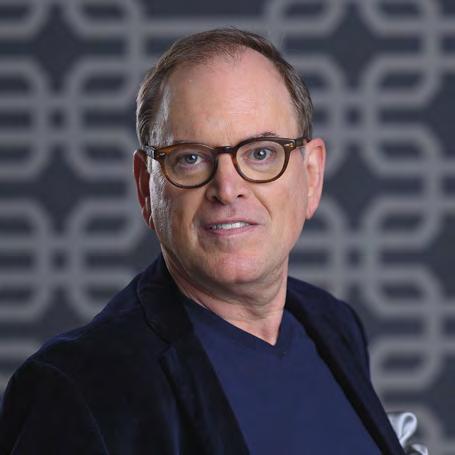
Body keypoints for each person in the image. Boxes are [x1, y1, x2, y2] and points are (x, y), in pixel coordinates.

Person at [0, 29, 424, 455]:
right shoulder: (76, 388)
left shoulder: (334, 325)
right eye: (190, 158)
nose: (227, 188)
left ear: (311, 177)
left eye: (261, 153)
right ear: (146, 188)